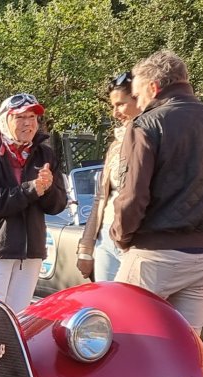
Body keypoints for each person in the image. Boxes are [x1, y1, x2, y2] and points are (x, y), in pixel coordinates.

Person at [111, 50, 203, 334]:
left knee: (126, 337)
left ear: (153, 87)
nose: (138, 103)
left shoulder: (146, 124)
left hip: (155, 252)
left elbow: (133, 196)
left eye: (137, 95)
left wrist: (121, 236)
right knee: (186, 342)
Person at [0, 93, 68, 312]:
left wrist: (48, 188)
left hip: (31, 254)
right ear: (5, 120)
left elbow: (58, 205)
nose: (28, 123)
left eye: (32, 117)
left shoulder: (45, 155)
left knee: (18, 319)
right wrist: (31, 189)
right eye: (20, 117)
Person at [77, 72, 143, 283]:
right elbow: (101, 197)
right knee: (105, 300)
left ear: (140, 100)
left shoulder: (152, 141)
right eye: (112, 106)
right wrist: (86, 248)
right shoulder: (116, 144)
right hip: (106, 235)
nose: (115, 113)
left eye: (121, 104)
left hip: (136, 241)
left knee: (132, 300)